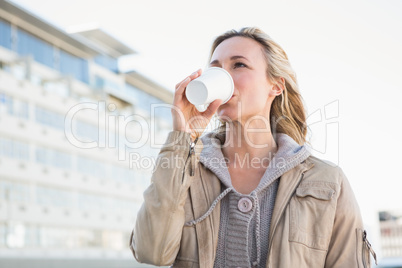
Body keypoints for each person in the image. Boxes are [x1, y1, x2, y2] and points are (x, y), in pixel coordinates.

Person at [129, 27, 376, 268]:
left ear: (276, 86)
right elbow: (152, 252)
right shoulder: (185, 169)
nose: (222, 76)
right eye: (215, 68)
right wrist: (182, 137)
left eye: (239, 65)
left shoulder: (327, 181)